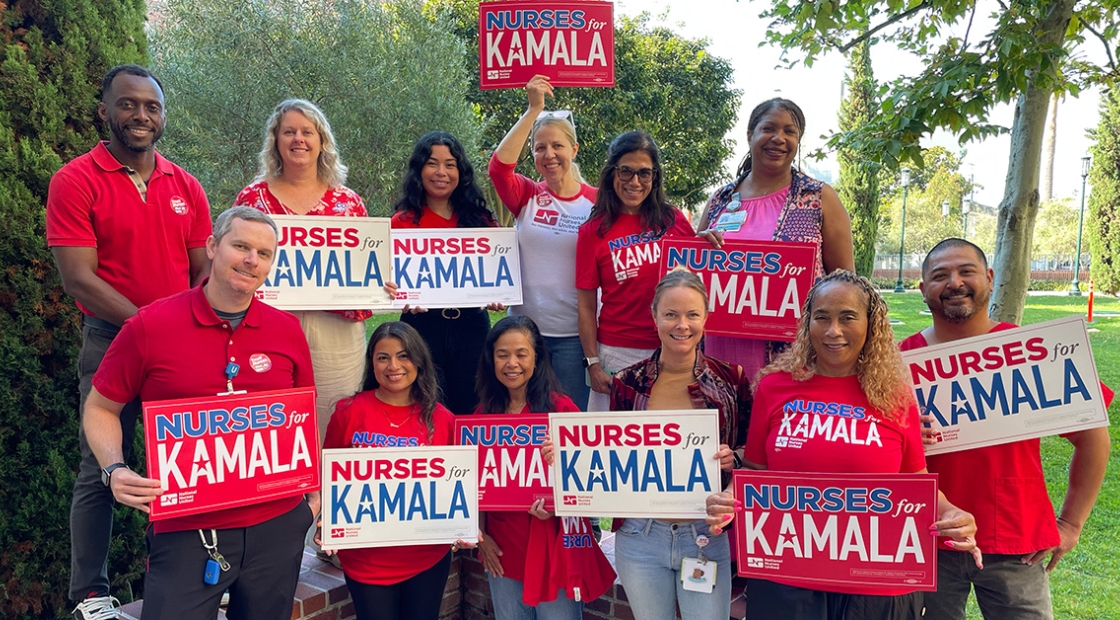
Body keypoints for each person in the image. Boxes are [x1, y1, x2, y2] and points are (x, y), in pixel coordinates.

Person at [81, 207, 318, 620]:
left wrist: (310, 501)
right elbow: (101, 406)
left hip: (277, 526)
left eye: (263, 253)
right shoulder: (150, 325)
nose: (251, 260)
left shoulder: (287, 330)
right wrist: (114, 469)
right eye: (241, 246)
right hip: (188, 531)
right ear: (212, 247)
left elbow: (301, 415)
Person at [710, 269, 978, 620]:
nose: (833, 331)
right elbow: (758, 475)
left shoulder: (896, 397)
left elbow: (917, 486)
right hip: (790, 577)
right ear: (808, 324)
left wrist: (952, 514)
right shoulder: (774, 387)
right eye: (822, 318)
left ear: (870, 325)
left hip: (878, 583)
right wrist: (730, 496)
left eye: (847, 317)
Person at [45, 64, 212, 619]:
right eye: (128, 104)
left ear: (163, 115)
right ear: (104, 111)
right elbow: (79, 278)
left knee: (191, 460)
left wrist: (187, 328)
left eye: (152, 107)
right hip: (111, 339)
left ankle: (198, 576)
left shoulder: (185, 184)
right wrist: (151, 324)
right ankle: (89, 594)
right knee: (101, 468)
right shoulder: (75, 179)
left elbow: (201, 273)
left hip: (179, 343)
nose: (141, 115)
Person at [899, 238, 1112, 620]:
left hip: (1016, 537)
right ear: (923, 289)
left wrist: (1071, 523)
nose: (955, 282)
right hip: (926, 536)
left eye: (966, 271)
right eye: (940, 275)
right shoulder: (895, 364)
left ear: (990, 278)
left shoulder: (1033, 352)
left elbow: (1091, 435)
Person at [605, 269, 750, 620]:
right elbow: (609, 454)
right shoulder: (627, 383)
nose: (681, 325)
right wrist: (564, 456)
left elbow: (751, 452)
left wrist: (737, 459)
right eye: (670, 314)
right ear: (654, 316)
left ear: (706, 318)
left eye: (692, 314)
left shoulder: (732, 379)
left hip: (706, 533)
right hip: (641, 535)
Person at [234, 98, 371, 441]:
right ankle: (279, 491)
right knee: (270, 416)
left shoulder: (349, 202)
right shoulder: (252, 200)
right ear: (275, 140)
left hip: (335, 330)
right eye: (289, 132)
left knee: (335, 416)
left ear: (321, 141)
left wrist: (379, 281)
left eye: (307, 131)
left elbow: (367, 262)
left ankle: (324, 493)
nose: (299, 139)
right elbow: (234, 259)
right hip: (269, 323)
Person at [696, 98, 854, 382]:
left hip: (791, 362)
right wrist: (697, 250)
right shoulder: (720, 199)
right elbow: (691, 278)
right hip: (718, 356)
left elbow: (847, 284)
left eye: (789, 131)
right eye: (769, 128)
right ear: (750, 135)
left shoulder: (818, 197)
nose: (778, 138)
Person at [474, 316, 615, 620]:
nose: (512, 363)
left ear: (536, 357)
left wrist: (559, 488)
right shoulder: (482, 415)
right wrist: (481, 536)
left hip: (554, 544)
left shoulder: (562, 409)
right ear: (491, 359)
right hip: (502, 547)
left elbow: (592, 479)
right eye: (502, 354)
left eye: (521, 353)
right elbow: (475, 483)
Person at [318, 321, 458, 620]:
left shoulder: (443, 420)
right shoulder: (349, 411)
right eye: (383, 357)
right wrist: (326, 521)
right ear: (372, 362)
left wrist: (463, 524)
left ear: (419, 361)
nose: (393, 365)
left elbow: (454, 484)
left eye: (404, 355)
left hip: (426, 556)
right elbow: (331, 476)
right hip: (366, 559)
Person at [489, 75, 596, 409]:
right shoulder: (528, 195)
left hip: (574, 339)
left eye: (557, 146)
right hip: (524, 339)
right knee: (524, 421)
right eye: (540, 148)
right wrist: (534, 110)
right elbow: (498, 168)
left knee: (567, 426)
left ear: (574, 149)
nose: (549, 154)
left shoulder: (598, 202)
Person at [576, 132, 695, 412]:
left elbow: (700, 274)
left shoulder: (673, 220)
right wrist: (592, 364)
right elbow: (585, 306)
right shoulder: (593, 231)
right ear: (612, 173)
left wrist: (709, 240)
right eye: (626, 171)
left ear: (655, 177)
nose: (635, 182)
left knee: (667, 441)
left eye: (644, 173)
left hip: (673, 350)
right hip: (618, 354)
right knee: (613, 445)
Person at [391, 131, 499, 415]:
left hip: (472, 326)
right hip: (422, 326)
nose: (441, 172)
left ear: (460, 171)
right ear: (419, 170)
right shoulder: (400, 224)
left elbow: (499, 272)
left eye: (450, 164)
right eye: (432, 163)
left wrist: (499, 293)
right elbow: (386, 281)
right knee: (426, 409)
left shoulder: (482, 221)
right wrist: (394, 294)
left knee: (475, 407)